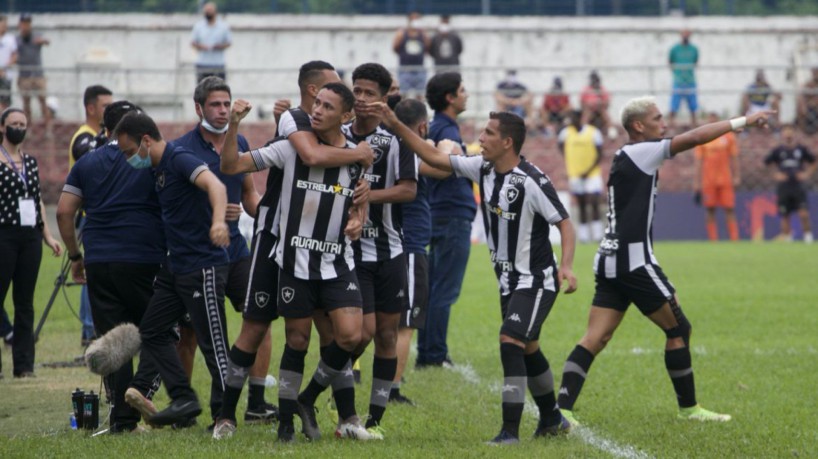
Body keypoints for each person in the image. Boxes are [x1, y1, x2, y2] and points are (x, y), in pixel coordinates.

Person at [556, 96, 773, 427]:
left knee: (595, 338)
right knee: (678, 328)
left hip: (609, 257)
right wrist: (743, 121)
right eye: (658, 118)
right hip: (633, 260)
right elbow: (696, 137)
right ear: (639, 126)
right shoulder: (643, 151)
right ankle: (689, 408)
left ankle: (562, 409)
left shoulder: (627, 155)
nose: (665, 123)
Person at [375, 104, 578, 444]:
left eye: (488, 133)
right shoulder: (482, 168)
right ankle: (552, 418)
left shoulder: (531, 181)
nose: (480, 138)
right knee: (528, 348)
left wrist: (567, 266)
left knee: (511, 341)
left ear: (508, 142)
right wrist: (395, 124)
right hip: (508, 282)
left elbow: (566, 224)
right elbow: (434, 157)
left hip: (536, 280)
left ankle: (509, 432)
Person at [209, 61, 373, 440]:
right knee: (283, 335)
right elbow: (231, 164)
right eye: (320, 101)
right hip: (286, 255)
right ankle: (242, 417)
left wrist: (359, 213)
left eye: (329, 106)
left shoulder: (357, 156)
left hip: (335, 261)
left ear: (345, 116)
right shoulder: (292, 131)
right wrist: (234, 125)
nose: (318, 110)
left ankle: (320, 405)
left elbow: (361, 198)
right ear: (312, 92)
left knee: (348, 336)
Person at [172, 76, 279, 427]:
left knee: (260, 318)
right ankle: (184, 407)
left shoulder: (241, 140)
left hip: (236, 252)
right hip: (199, 257)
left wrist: (272, 213)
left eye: (225, 103)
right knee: (193, 333)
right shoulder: (182, 149)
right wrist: (215, 210)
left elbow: (249, 197)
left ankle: (257, 402)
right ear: (198, 107)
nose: (221, 111)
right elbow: (177, 205)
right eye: (215, 104)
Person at [116, 112, 231, 428]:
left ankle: (225, 415)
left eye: (128, 151)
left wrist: (219, 220)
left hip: (202, 265)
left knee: (212, 343)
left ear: (146, 141)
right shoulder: (156, 169)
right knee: (152, 330)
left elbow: (216, 186)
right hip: (174, 267)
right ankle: (184, 398)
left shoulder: (179, 158)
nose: (128, 159)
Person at [56, 100, 164, 433]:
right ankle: (142, 391)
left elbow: (63, 211)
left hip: (99, 259)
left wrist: (76, 257)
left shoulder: (87, 162)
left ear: (106, 128)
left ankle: (122, 419)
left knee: (115, 341)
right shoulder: (147, 161)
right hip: (143, 257)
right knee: (158, 332)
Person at [341, 63, 417, 433]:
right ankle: (332, 396)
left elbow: (408, 190)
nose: (361, 99)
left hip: (389, 251)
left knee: (387, 334)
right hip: (348, 252)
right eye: (357, 90)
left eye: (370, 93)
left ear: (385, 97)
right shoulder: (335, 135)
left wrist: (371, 195)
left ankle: (374, 419)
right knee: (360, 334)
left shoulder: (396, 139)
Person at [0, 107, 62, 378]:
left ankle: (24, 365)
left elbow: (37, 200)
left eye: (22, 123)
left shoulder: (31, 162)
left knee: (25, 302)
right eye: (14, 123)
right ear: (2, 127)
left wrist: (47, 235)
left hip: (30, 237)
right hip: (4, 234)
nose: (18, 128)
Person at [418, 71, 473, 368]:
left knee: (433, 287)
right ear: (450, 98)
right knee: (445, 289)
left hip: (437, 212)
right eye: (462, 90)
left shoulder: (436, 126)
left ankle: (429, 351)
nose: (467, 94)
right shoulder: (448, 131)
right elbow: (448, 162)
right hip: (453, 214)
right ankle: (435, 355)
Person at [69, 84, 113, 347]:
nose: (110, 109)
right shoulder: (85, 137)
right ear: (91, 108)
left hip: (100, 212)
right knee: (91, 273)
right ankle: (89, 329)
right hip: (89, 215)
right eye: (106, 105)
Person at [558, 110, 604, 243]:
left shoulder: (593, 132)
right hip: (575, 175)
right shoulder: (565, 133)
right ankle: (584, 237)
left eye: (572, 117)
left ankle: (597, 235)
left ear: (579, 118)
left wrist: (588, 170)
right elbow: (561, 147)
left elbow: (599, 154)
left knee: (594, 202)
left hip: (592, 174)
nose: (570, 120)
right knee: (582, 204)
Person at [764, 124, 816, 243]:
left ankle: (808, 238)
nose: (788, 133)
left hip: (798, 186)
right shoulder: (778, 150)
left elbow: (813, 161)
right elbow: (767, 163)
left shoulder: (801, 149)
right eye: (786, 131)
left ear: (795, 133)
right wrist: (775, 175)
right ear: (782, 134)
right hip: (784, 187)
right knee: (785, 214)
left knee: (803, 214)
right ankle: (787, 239)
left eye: (791, 130)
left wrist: (807, 174)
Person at [693, 113, 740, 241]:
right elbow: (698, 162)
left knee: (729, 208)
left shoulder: (728, 136)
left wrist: (736, 176)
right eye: (710, 119)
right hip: (708, 180)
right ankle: (713, 240)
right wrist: (696, 182)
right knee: (710, 209)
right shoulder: (703, 138)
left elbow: (734, 158)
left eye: (714, 119)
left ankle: (734, 239)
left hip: (725, 178)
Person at [16, 14, 50, 127]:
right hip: (24, 75)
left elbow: (47, 41)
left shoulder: (36, 35)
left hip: (38, 75)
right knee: (26, 104)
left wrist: (42, 41)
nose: (26, 26)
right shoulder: (17, 39)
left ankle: (48, 130)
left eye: (28, 23)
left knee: (43, 102)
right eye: (24, 23)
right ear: (20, 25)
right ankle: (28, 129)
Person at [191, 2, 232, 82]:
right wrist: (201, 46)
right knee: (202, 90)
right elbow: (193, 42)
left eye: (210, 10)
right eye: (206, 11)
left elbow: (229, 42)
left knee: (219, 88)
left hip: (218, 64)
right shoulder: (198, 26)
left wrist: (219, 46)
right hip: (202, 63)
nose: (208, 13)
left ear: (215, 12)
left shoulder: (223, 26)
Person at [392, 12, 429, 100]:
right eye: (413, 19)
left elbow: (428, 47)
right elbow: (395, 48)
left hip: (419, 68)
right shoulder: (402, 33)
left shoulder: (422, 34)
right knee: (403, 94)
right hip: (405, 68)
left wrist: (423, 32)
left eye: (417, 19)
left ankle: (419, 112)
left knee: (420, 95)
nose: (415, 21)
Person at [668, 29, 699, 127]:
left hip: (690, 80)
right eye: (684, 34)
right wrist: (677, 73)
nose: (686, 36)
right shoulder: (674, 49)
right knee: (674, 104)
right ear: (681, 35)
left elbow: (695, 62)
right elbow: (670, 62)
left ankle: (694, 123)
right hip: (678, 81)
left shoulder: (694, 49)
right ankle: (671, 122)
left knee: (693, 104)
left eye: (687, 34)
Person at [580, 71, 616, 139]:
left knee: (604, 113)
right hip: (590, 109)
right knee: (587, 113)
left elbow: (607, 103)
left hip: (600, 109)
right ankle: (584, 130)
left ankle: (611, 130)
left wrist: (601, 103)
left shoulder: (602, 89)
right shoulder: (586, 89)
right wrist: (589, 105)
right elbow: (582, 103)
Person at [0, 15, 18, 111]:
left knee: (5, 101)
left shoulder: (11, 38)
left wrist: (4, 68)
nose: (4, 26)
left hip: (6, 75)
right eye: (2, 24)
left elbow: (15, 56)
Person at [796, 68, 818, 135]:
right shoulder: (809, 84)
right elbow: (801, 96)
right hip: (810, 109)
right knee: (801, 109)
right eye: (814, 72)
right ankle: (802, 132)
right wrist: (803, 105)